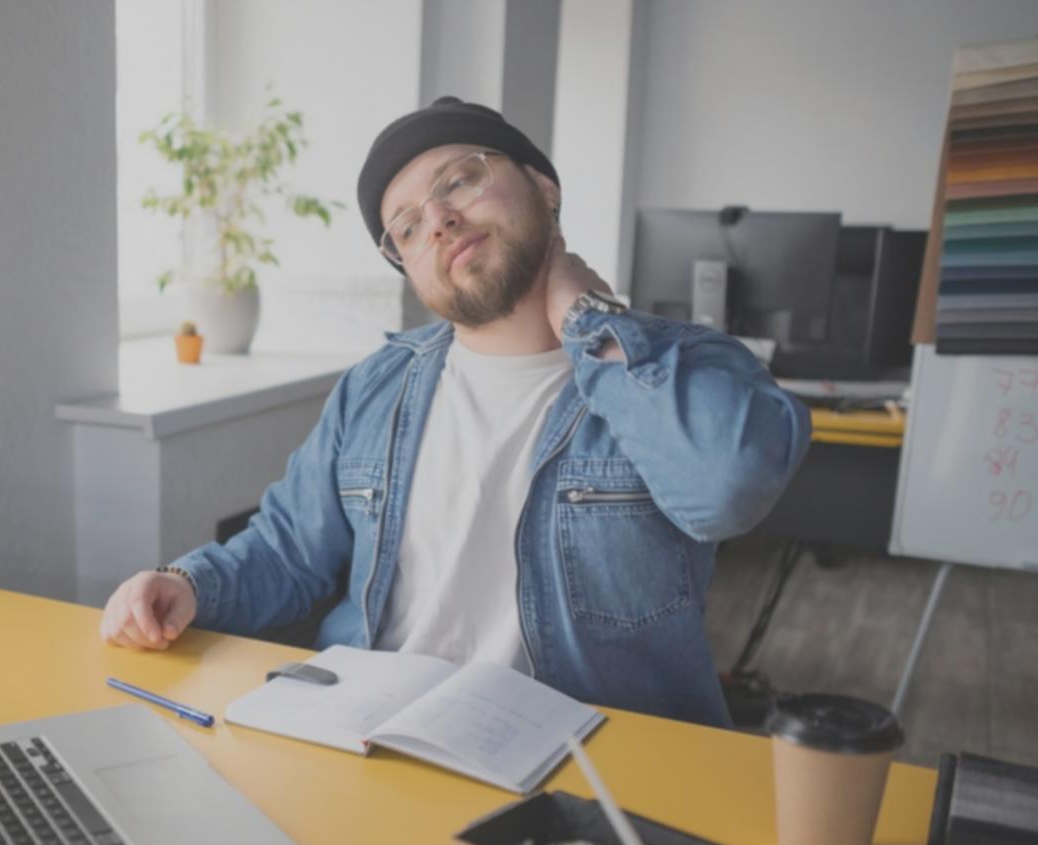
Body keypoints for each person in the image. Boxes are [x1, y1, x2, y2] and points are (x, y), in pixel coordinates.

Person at [100, 96, 810, 727]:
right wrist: (185, 582)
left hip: (589, 767)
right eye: (404, 227)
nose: (436, 220)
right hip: (371, 733)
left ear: (542, 186)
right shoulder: (375, 387)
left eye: (460, 181)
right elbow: (287, 550)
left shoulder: (680, 364)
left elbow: (727, 486)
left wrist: (589, 321)